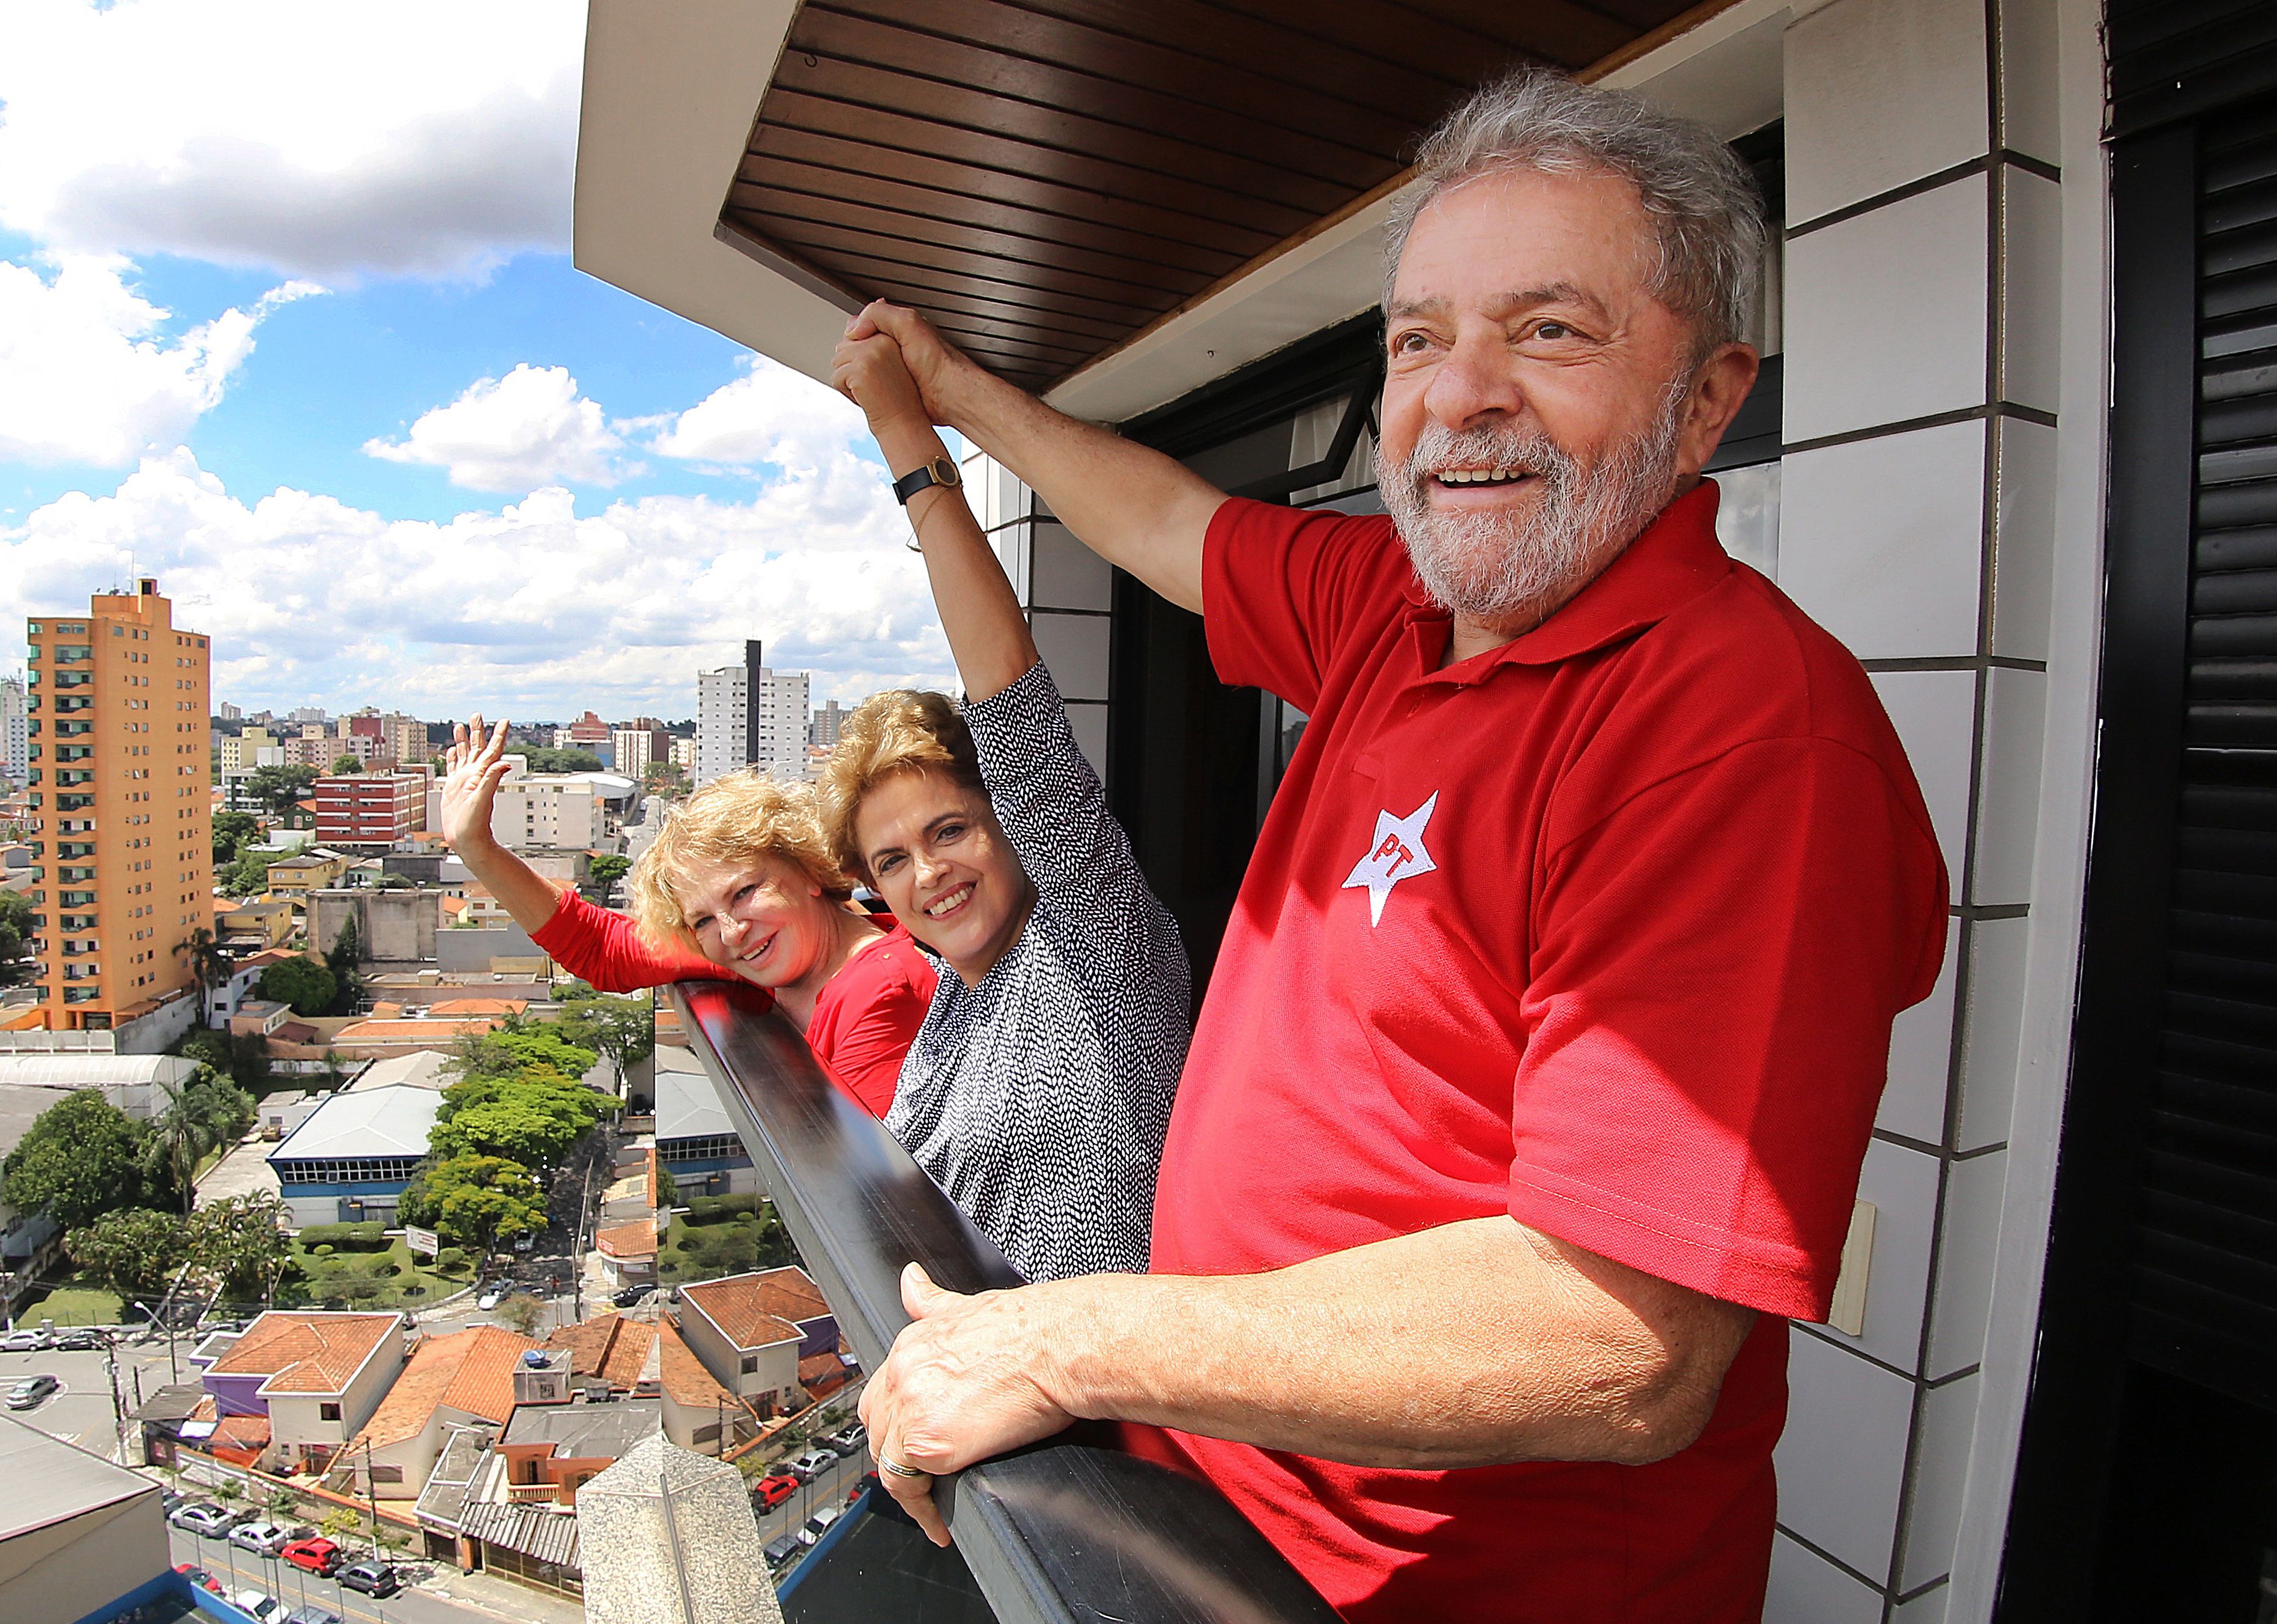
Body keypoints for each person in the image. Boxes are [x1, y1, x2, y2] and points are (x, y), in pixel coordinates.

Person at [846, 71, 1948, 1623]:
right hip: (1208, 1515)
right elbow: (1159, 521)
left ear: (1706, 400)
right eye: (1417, 340)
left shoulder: (1745, 733)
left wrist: (1062, 1337)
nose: (1458, 391)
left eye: (1545, 331)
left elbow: (1615, 1340)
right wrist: (950, 397)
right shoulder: (1395, 607)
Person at [819, 341, 1191, 1285]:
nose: (928, 872)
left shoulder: (1092, 949)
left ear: (1009, 818)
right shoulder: (954, 992)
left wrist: (902, 436)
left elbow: (1008, 698)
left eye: (948, 830)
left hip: (1110, 1416)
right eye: (892, 859)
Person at [433, 727, 933, 1117]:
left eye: (745, 891)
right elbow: (603, 949)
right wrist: (478, 848)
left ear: (808, 870)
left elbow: (884, 1194)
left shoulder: (879, 991)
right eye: (702, 919)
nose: (734, 930)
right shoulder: (769, 949)